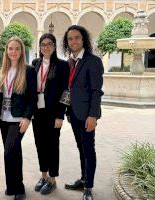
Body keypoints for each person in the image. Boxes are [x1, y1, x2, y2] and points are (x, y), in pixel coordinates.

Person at [62, 25, 104, 200]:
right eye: (70, 38)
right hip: (74, 113)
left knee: (88, 149)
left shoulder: (93, 61)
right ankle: (83, 178)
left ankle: (88, 187)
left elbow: (96, 91)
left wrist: (93, 115)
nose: (73, 41)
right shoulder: (70, 62)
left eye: (77, 37)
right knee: (81, 148)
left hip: (87, 115)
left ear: (83, 39)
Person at [0, 36, 37, 200]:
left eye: (17, 49)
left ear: (22, 51)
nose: (13, 51)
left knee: (9, 151)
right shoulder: (3, 70)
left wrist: (27, 118)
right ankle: (11, 186)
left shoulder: (28, 70)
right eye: (10, 48)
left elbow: (33, 97)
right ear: (6, 51)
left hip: (18, 118)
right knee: (13, 152)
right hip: (3, 118)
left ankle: (19, 189)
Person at [31, 33, 69, 195]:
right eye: (43, 44)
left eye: (49, 44)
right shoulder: (34, 63)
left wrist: (60, 115)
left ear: (54, 46)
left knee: (52, 145)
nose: (46, 47)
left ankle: (52, 179)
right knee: (40, 143)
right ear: (39, 47)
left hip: (53, 112)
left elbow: (67, 91)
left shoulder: (62, 65)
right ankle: (43, 175)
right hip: (37, 111)